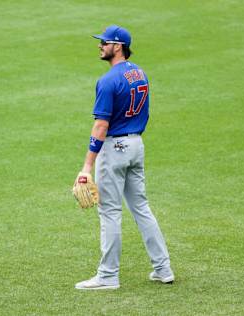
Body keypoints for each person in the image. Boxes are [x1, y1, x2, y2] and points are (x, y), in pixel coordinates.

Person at [74, 25, 174, 290]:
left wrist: (87, 166)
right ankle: (163, 269)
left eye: (104, 42)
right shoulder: (140, 73)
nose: (100, 45)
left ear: (117, 46)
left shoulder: (107, 81)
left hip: (114, 149)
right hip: (136, 145)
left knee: (109, 212)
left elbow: (100, 126)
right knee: (141, 207)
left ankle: (107, 276)